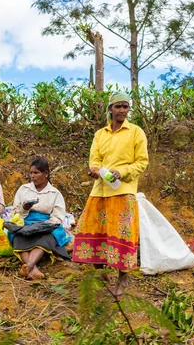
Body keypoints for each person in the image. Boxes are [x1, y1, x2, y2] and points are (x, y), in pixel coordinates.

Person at [72, 91, 149, 296]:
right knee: (92, 230)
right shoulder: (100, 134)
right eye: (118, 106)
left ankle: (122, 279)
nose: (122, 110)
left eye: (125, 106)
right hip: (100, 191)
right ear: (110, 109)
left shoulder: (135, 132)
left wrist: (121, 172)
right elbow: (94, 159)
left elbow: (142, 162)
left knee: (122, 236)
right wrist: (94, 170)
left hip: (123, 191)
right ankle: (100, 272)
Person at [10, 157, 70, 280]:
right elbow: (15, 212)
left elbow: (58, 216)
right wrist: (25, 208)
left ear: (46, 174)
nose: (32, 176)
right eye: (31, 173)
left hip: (46, 224)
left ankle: (29, 266)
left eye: (36, 173)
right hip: (25, 221)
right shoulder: (23, 189)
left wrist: (44, 225)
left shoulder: (55, 193)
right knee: (18, 236)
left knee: (46, 238)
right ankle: (34, 269)